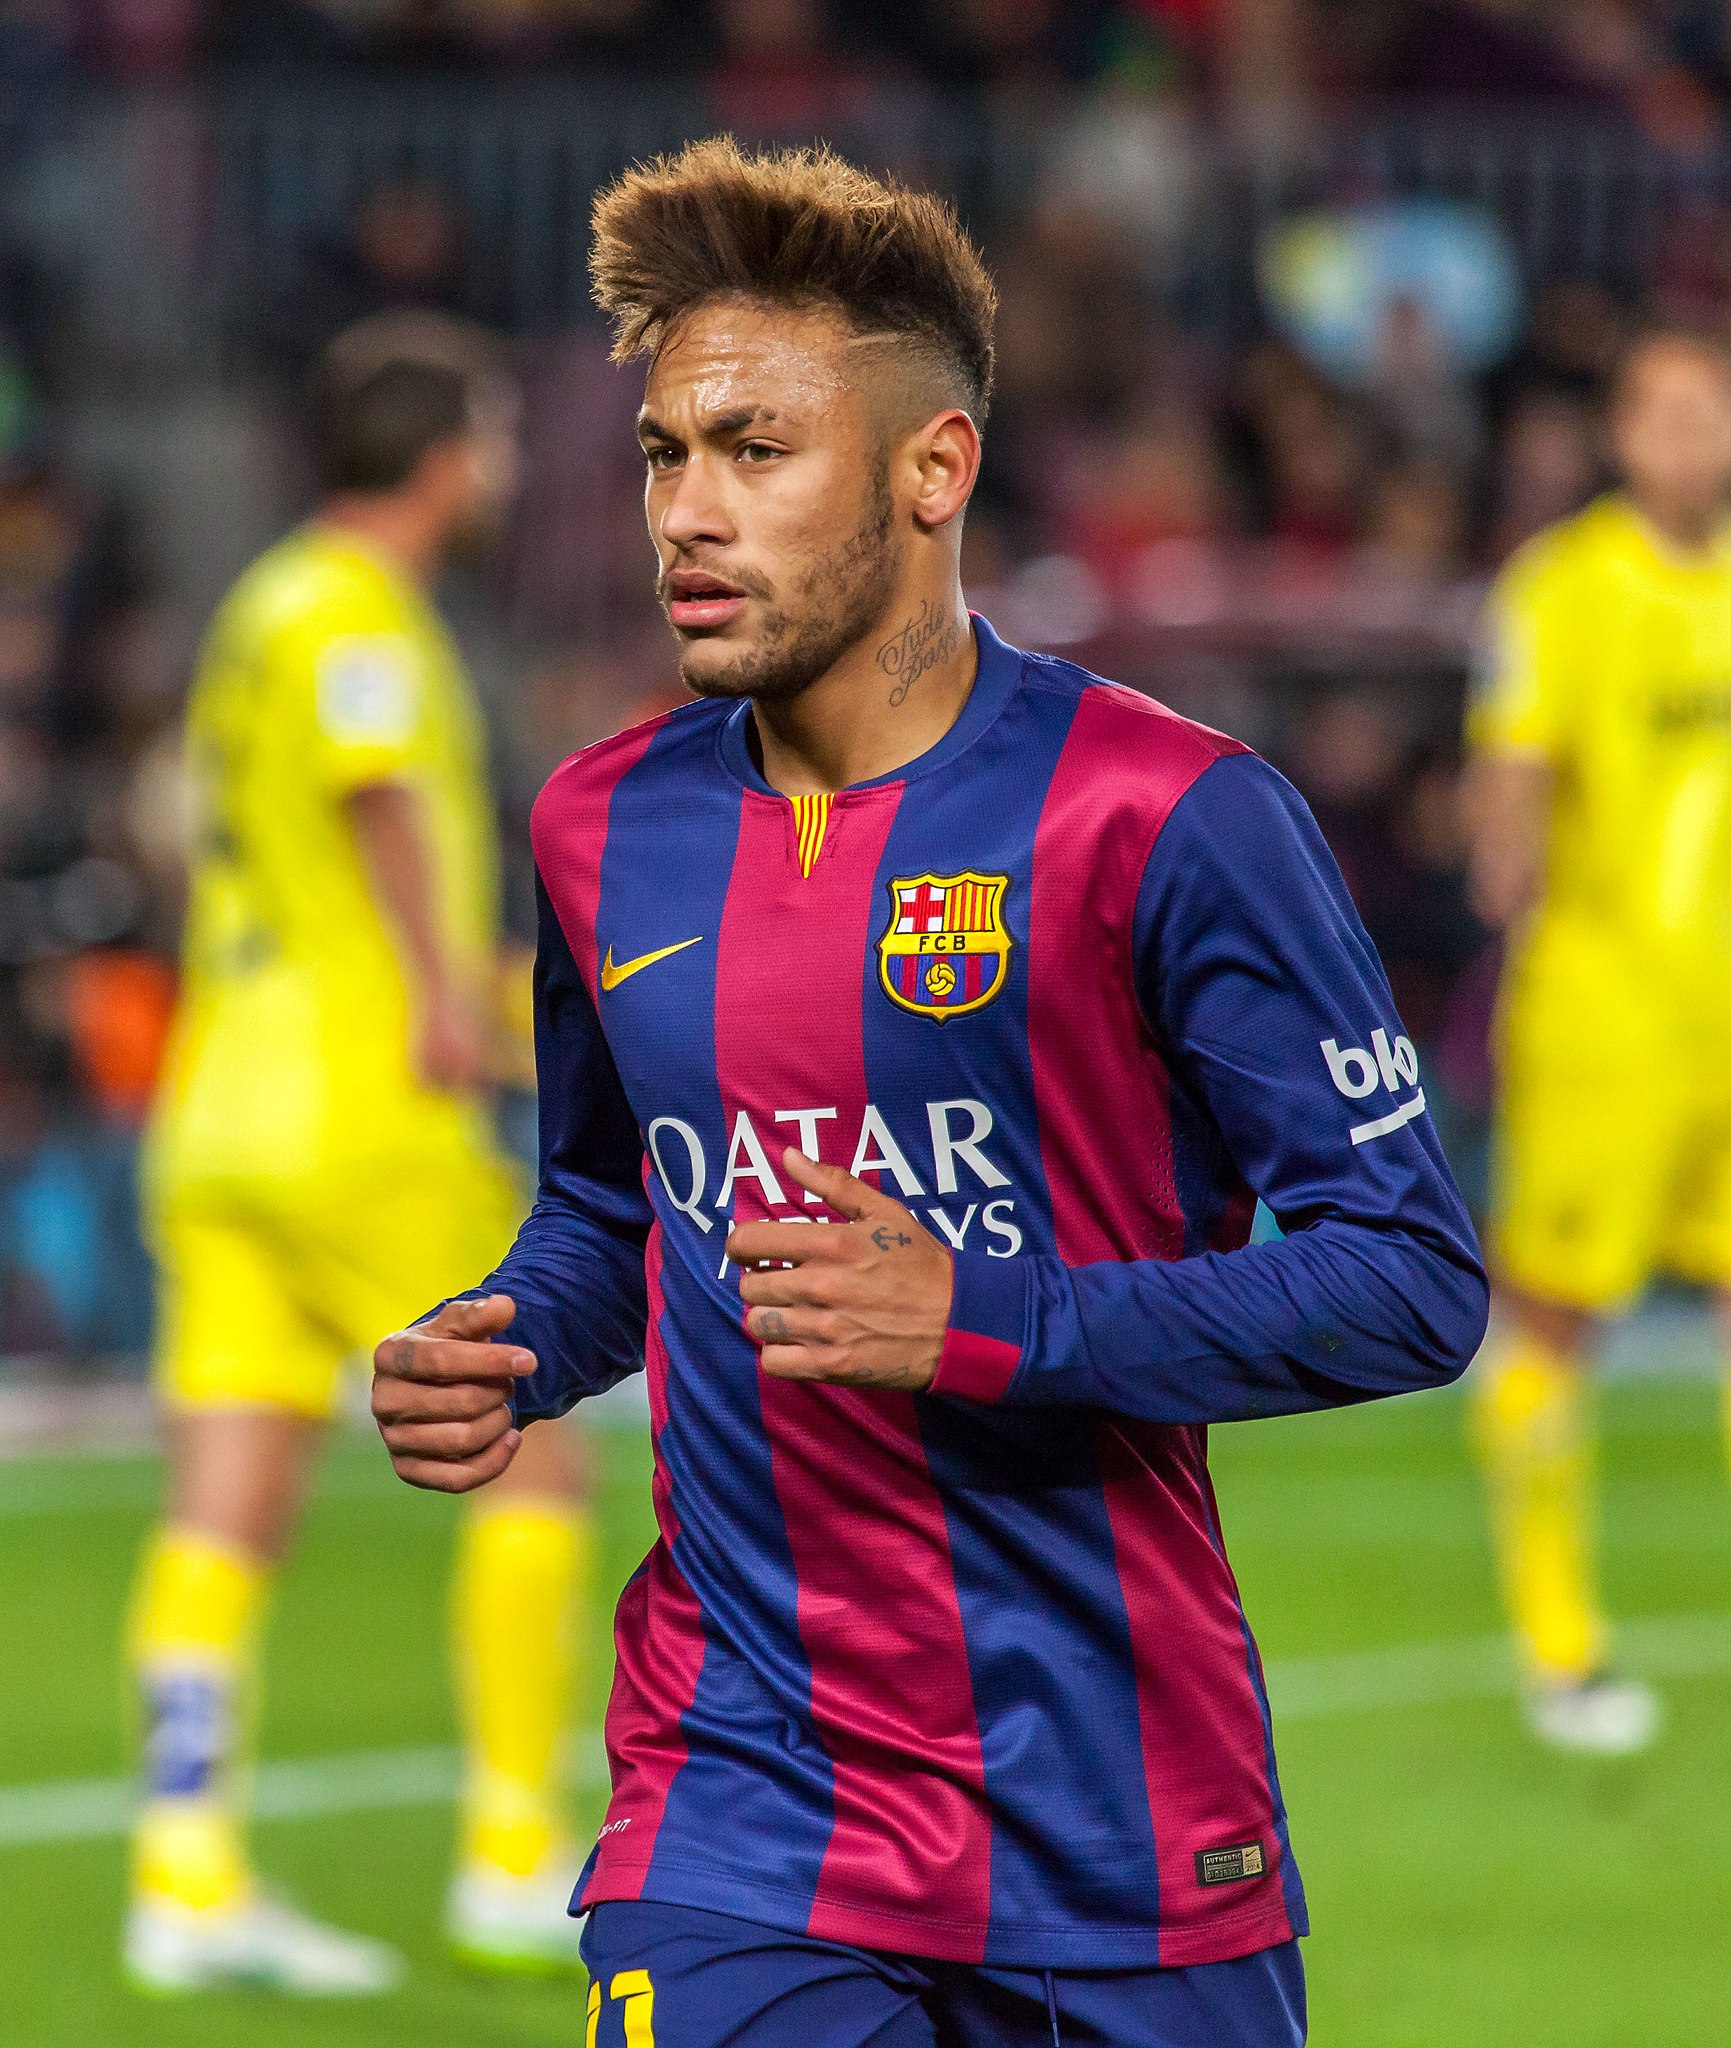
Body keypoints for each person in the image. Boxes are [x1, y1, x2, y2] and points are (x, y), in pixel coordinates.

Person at [372, 141, 1487, 2048]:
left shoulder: (1169, 818)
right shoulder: (599, 827)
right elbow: (619, 1204)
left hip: (1126, 1818)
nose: (686, 517)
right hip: (742, 1801)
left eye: (754, 450)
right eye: (664, 454)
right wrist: (515, 1338)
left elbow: (1409, 1278)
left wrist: (991, 1321)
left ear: (931, 469)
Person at [126, 314, 595, 1993]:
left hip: (221, 1097)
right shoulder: (358, 613)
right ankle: (512, 1853)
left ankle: (182, 1877)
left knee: (226, 1499)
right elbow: (381, 792)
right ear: (444, 453)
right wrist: (441, 995)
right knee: (534, 1457)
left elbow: (195, 820)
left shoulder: (255, 608)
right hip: (360, 1103)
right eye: (498, 432)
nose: (515, 464)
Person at [1465, 329, 1731, 1755]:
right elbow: (1509, 763)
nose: (1691, 439)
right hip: (1605, 1021)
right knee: (1559, 1317)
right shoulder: (1564, 589)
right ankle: (1556, 1643)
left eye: (1710, 410)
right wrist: (1503, 852)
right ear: (1627, 431)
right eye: (1667, 412)